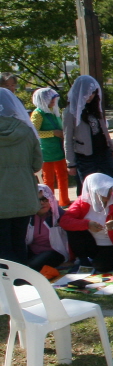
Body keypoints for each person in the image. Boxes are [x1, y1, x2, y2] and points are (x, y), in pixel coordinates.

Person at [60, 173, 113, 273]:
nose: (108, 194)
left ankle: (96, 262)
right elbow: (64, 221)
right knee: (73, 229)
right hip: (91, 244)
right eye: (103, 191)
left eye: (109, 189)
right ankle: (83, 260)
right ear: (92, 191)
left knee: (101, 266)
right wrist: (87, 224)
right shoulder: (82, 201)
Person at [0, 93, 41, 265]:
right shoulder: (26, 130)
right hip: (23, 195)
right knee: (19, 242)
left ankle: (6, 280)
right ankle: (22, 277)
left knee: (3, 247)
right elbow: (37, 164)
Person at [63, 75, 113, 192]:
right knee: (87, 189)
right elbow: (67, 139)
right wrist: (71, 164)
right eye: (87, 93)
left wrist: (112, 148)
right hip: (85, 157)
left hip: (103, 153)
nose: (90, 96)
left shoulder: (95, 107)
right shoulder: (70, 111)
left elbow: (104, 131)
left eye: (93, 93)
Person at [30, 88, 69, 207]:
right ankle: (50, 204)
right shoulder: (38, 113)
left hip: (59, 150)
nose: (53, 101)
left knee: (63, 177)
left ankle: (64, 201)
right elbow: (34, 132)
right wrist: (53, 133)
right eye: (50, 99)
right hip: (46, 152)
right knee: (49, 180)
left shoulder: (54, 111)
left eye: (54, 99)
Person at [25, 184, 70, 272]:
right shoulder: (27, 217)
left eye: (45, 199)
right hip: (33, 252)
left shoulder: (59, 215)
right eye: (38, 200)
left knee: (33, 266)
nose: (42, 203)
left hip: (55, 252)